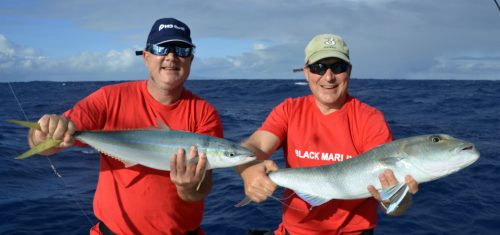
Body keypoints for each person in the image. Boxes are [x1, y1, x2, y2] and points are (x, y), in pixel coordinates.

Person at [26, 18, 222, 235]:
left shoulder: (205, 113)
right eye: (161, 48)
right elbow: (48, 146)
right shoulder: (108, 98)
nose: (171, 56)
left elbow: (200, 190)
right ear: (146, 57)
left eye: (182, 50)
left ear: (191, 59)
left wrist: (187, 187)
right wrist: (41, 134)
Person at [236, 34, 419, 235]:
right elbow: (256, 146)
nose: (329, 76)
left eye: (338, 67)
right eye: (319, 68)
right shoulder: (289, 110)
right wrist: (248, 171)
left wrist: (396, 200)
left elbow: (394, 208)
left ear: (349, 71)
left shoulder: (370, 119)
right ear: (306, 72)